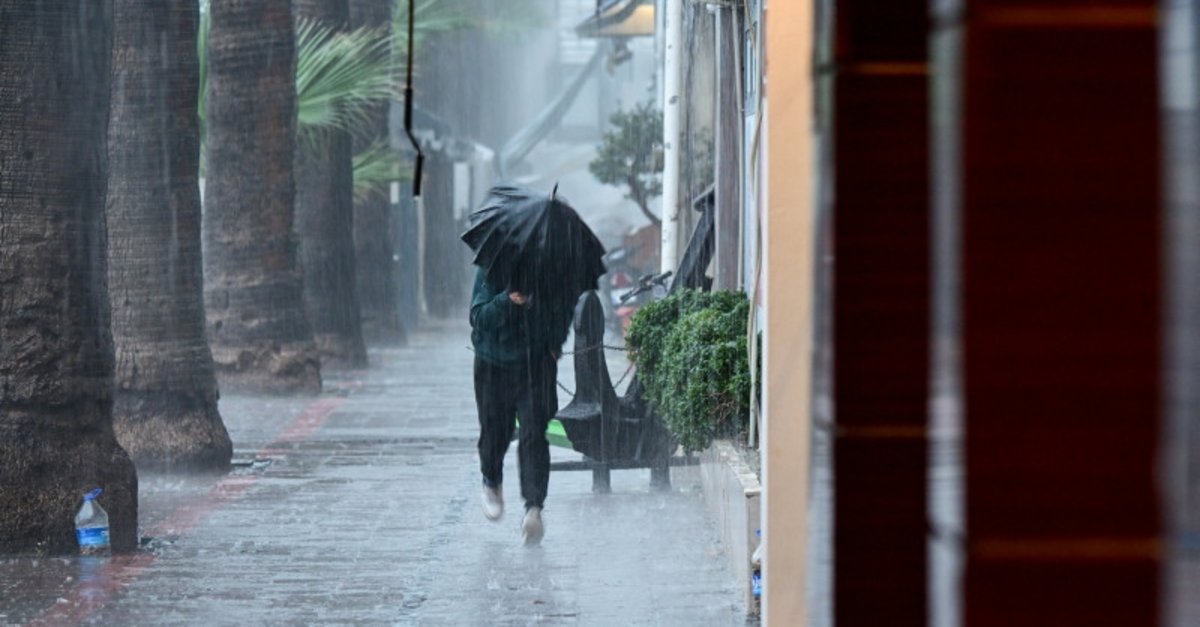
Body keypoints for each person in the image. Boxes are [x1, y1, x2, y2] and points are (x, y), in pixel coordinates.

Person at [469, 266, 574, 546]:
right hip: (493, 365)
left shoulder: (550, 267)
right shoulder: (491, 268)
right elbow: (478, 317)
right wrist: (507, 300)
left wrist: (554, 343)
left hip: (536, 365)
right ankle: (491, 478)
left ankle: (534, 507)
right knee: (495, 432)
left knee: (533, 434)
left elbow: (563, 309)